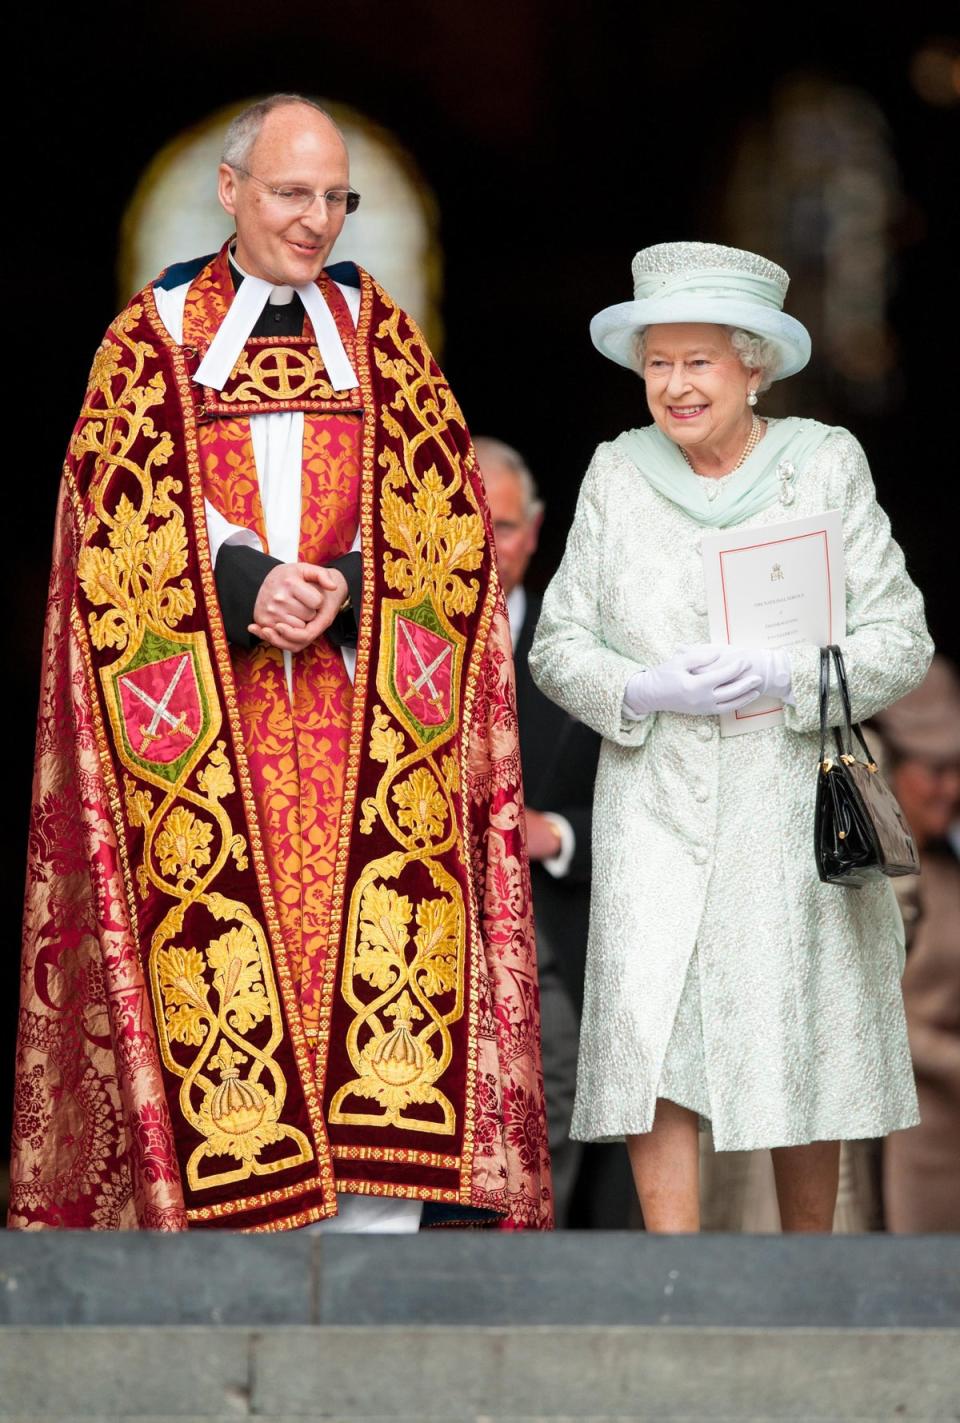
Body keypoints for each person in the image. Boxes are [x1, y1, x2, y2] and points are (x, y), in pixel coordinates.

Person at [10, 94, 551, 1233]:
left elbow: (453, 524)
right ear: (231, 189)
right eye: (292, 193)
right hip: (210, 758)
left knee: (381, 1078)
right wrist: (248, 582)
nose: (316, 221)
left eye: (335, 199)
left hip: (368, 763)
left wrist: (349, 586)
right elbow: (107, 527)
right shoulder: (150, 339)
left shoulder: (383, 336)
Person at [529, 241, 933, 1233]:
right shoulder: (617, 473)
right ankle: (676, 1273)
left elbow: (902, 643)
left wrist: (787, 675)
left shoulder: (824, 464)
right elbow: (556, 645)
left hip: (784, 800)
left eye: (698, 362)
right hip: (656, 798)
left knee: (799, 1034)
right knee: (653, 1031)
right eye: (658, 362)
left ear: (753, 364)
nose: (674, 385)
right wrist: (645, 684)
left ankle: (806, 1270)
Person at [476, 437, 631, 1227]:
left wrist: (558, 834)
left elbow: (658, 810)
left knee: (550, 1178)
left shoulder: (586, 653)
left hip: (553, 960)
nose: (480, 544)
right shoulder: (379, 648)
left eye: (498, 526)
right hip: (413, 965)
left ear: (534, 530)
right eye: (461, 521)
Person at [872, 657, 960, 1232]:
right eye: (933, 770)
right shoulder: (874, 883)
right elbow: (869, 1010)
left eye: (958, 769)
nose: (950, 789)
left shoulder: (949, 871)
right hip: (898, 1140)